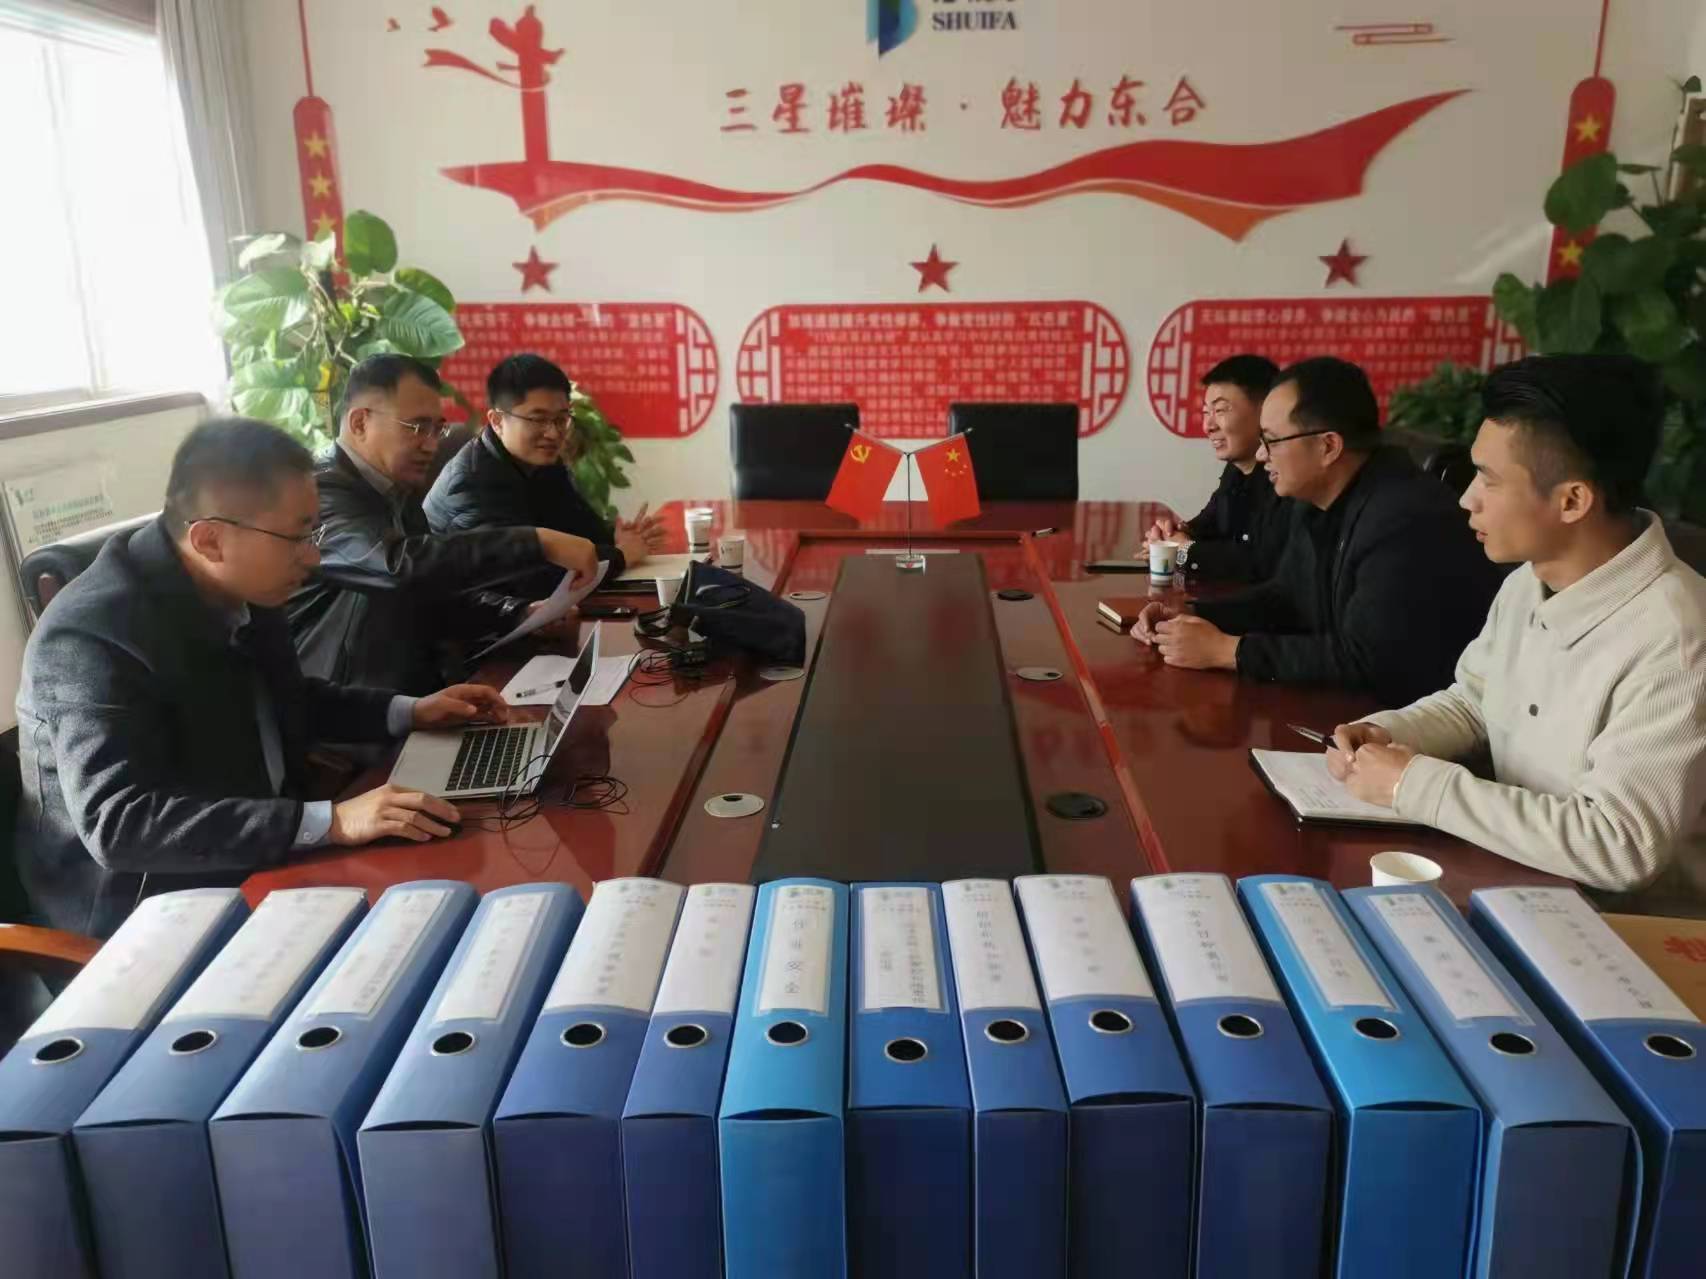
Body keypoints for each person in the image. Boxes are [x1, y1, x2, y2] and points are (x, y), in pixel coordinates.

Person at [15, 419, 509, 938]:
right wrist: (332, 822)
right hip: (144, 912)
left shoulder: (245, 583)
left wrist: (411, 710)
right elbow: (120, 823)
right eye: (296, 537)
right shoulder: (89, 634)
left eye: (314, 532)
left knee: (453, 902)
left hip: (259, 855)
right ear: (210, 540)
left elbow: (287, 698)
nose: (313, 557)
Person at [1328, 355, 1706, 910]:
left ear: (1572, 500)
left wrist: (1414, 785)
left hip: (1627, 930)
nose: (1467, 499)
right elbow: (1476, 701)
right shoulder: (1529, 581)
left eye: (1489, 479)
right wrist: (1386, 732)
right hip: (1516, 884)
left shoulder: (1678, 636)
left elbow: (1620, 845)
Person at [1132, 356, 1503, 708]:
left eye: (1272, 441)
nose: (1261, 456)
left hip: (1405, 725)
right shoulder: (1316, 500)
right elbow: (1286, 598)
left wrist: (1227, 651)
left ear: (1328, 446)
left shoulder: (1402, 518)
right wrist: (1191, 614)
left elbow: (1370, 660)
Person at [288, 354, 599, 694]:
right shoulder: (319, 493)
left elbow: (433, 595)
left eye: (437, 428)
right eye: (417, 427)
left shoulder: (395, 488)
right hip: (345, 705)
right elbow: (396, 565)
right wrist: (536, 542)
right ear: (360, 422)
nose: (432, 445)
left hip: (413, 693)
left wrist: (517, 613)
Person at [424, 354, 667, 593]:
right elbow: (523, 580)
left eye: (561, 420)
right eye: (537, 420)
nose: (553, 433)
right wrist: (621, 555)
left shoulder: (542, 463)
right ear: (497, 421)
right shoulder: (471, 483)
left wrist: (614, 536)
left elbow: (580, 530)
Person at [1144, 354, 1290, 580]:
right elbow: (1207, 524)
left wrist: (1184, 550)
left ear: (1265, 411)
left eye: (1220, 410)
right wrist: (1171, 535)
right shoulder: (1236, 470)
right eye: (1205, 412)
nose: (1208, 426)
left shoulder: (1287, 478)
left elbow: (1262, 562)